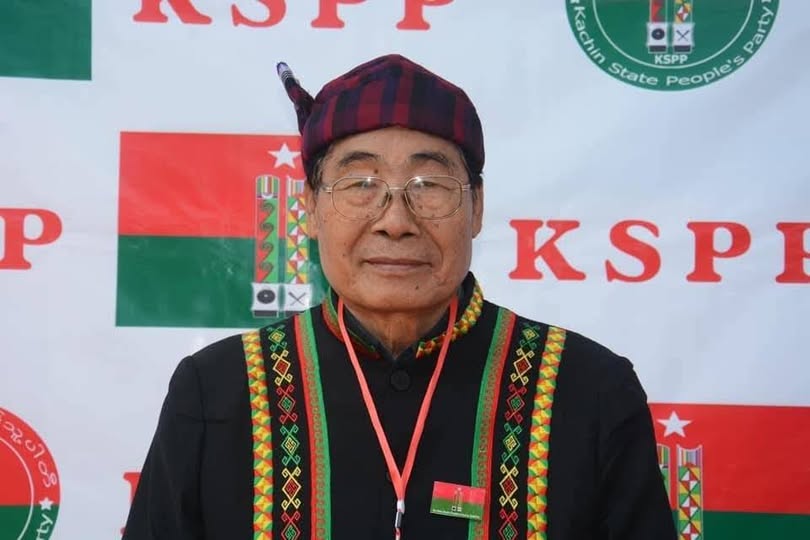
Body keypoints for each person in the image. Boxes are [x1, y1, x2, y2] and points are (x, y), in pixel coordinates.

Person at [123, 54, 676, 539]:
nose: (394, 221)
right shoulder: (217, 392)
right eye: (360, 185)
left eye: (428, 186)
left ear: (477, 208)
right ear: (310, 208)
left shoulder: (590, 391)